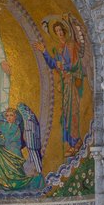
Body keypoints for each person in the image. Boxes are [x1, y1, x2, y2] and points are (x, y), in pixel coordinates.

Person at [34, 20, 84, 155]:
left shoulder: (71, 45)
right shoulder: (59, 49)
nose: (59, 33)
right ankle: (72, 143)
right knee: (66, 115)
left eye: (61, 30)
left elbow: (75, 64)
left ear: (65, 31)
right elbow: (52, 64)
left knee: (72, 112)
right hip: (64, 84)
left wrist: (64, 66)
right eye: (57, 32)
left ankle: (76, 142)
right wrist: (44, 51)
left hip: (72, 82)